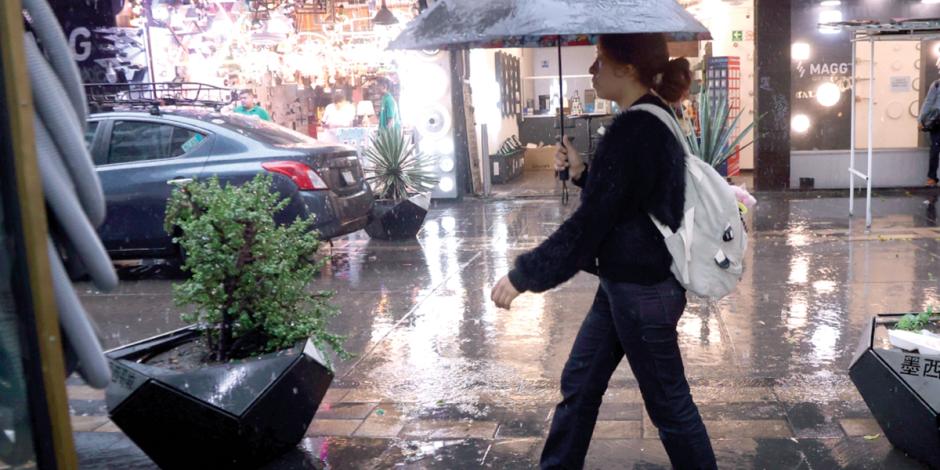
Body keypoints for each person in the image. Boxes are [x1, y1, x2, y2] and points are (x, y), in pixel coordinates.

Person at [490, 33, 717, 470]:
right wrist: (581, 174)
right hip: (625, 284)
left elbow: (589, 227)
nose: (592, 71)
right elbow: (627, 202)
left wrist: (525, 275)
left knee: (670, 407)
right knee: (580, 382)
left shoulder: (635, 128)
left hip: (643, 292)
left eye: (598, 61)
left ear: (626, 70)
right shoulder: (650, 117)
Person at [918, 78, 940, 188]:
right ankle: (932, 177)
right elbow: (928, 102)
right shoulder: (937, 85)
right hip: (937, 122)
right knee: (935, 150)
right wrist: (920, 120)